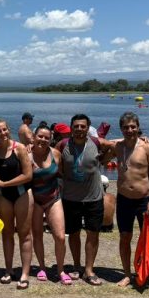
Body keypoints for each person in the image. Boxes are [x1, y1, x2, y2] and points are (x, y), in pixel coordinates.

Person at [100, 112, 149, 288]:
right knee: (125, 237)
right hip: (124, 199)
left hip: (144, 199)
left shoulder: (148, 148)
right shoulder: (118, 147)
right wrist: (112, 145)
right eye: (126, 127)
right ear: (121, 129)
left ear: (138, 127)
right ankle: (126, 274)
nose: (130, 130)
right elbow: (103, 161)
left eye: (133, 127)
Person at [58, 114, 105, 286]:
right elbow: (49, 155)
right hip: (71, 197)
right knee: (74, 233)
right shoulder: (63, 144)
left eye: (82, 126)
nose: (79, 129)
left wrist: (141, 139)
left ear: (88, 128)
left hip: (94, 197)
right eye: (76, 126)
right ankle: (77, 266)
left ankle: (89, 269)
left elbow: (117, 146)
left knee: (93, 233)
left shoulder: (96, 143)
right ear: (71, 128)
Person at [0, 118, 33, 289]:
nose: (3, 133)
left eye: (5, 129)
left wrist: (4, 184)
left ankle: (24, 273)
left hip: (22, 193)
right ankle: (8, 270)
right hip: (4, 197)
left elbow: (28, 176)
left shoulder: (19, 148)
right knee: (7, 233)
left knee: (24, 234)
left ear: (9, 129)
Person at [29, 124, 69, 284]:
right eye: (40, 136)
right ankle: (42, 268)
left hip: (53, 197)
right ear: (33, 136)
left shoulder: (56, 155)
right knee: (37, 235)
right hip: (34, 200)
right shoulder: (25, 154)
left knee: (59, 236)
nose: (43, 140)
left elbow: (61, 174)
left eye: (47, 137)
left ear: (51, 139)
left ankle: (60, 270)